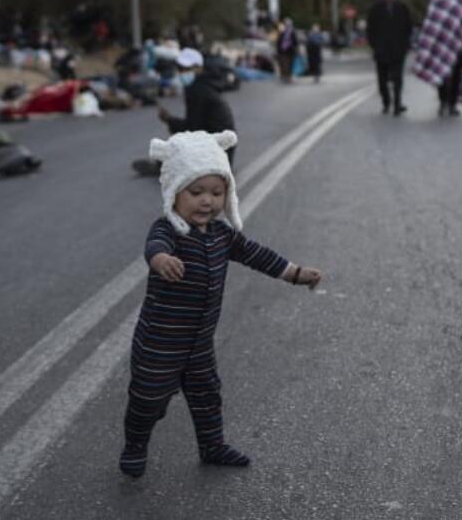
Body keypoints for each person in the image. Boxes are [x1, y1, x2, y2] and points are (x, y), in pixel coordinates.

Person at [120, 130, 323, 478]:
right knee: (148, 399)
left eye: (217, 192)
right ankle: (136, 445)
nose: (207, 202)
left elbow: (257, 255)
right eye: (195, 192)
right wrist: (160, 260)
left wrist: (295, 273)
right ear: (174, 193)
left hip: (198, 342)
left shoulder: (222, 234)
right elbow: (154, 245)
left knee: (207, 395)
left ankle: (212, 446)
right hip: (160, 342)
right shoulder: (170, 229)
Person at [132, 48, 237, 175]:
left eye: (186, 69)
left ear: (199, 68)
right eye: (180, 69)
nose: (182, 73)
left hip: (216, 154)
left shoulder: (198, 91)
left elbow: (192, 129)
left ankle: (163, 167)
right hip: (222, 152)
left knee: (178, 144)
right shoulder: (205, 85)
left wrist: (169, 120)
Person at [365, 0, 414, 115]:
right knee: (382, 80)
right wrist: (374, 45)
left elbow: (408, 27)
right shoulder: (375, 9)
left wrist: (406, 45)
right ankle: (386, 101)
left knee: (398, 78)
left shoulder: (402, 8)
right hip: (381, 49)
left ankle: (397, 104)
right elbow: (370, 29)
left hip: (398, 49)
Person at [275, 18, 297, 83]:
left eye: (289, 24)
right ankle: (285, 76)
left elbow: (295, 42)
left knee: (289, 65)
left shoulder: (292, 32)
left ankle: (288, 77)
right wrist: (278, 50)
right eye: (287, 24)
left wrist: (295, 48)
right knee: (284, 64)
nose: (288, 25)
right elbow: (278, 42)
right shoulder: (282, 32)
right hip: (283, 52)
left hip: (290, 51)